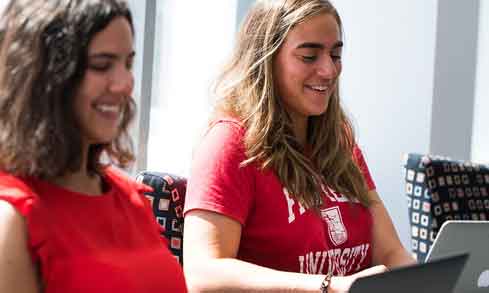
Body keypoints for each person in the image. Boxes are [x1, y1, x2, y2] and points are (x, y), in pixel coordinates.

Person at [183, 0, 415, 292]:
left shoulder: (340, 142)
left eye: (336, 54)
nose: (329, 70)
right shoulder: (229, 145)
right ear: (266, 59)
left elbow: (392, 253)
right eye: (309, 56)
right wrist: (328, 287)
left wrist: (428, 282)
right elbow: (204, 274)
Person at [0, 0, 187, 292]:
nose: (125, 83)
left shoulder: (132, 198)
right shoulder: (13, 217)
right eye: (102, 65)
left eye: (128, 63)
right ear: (46, 77)